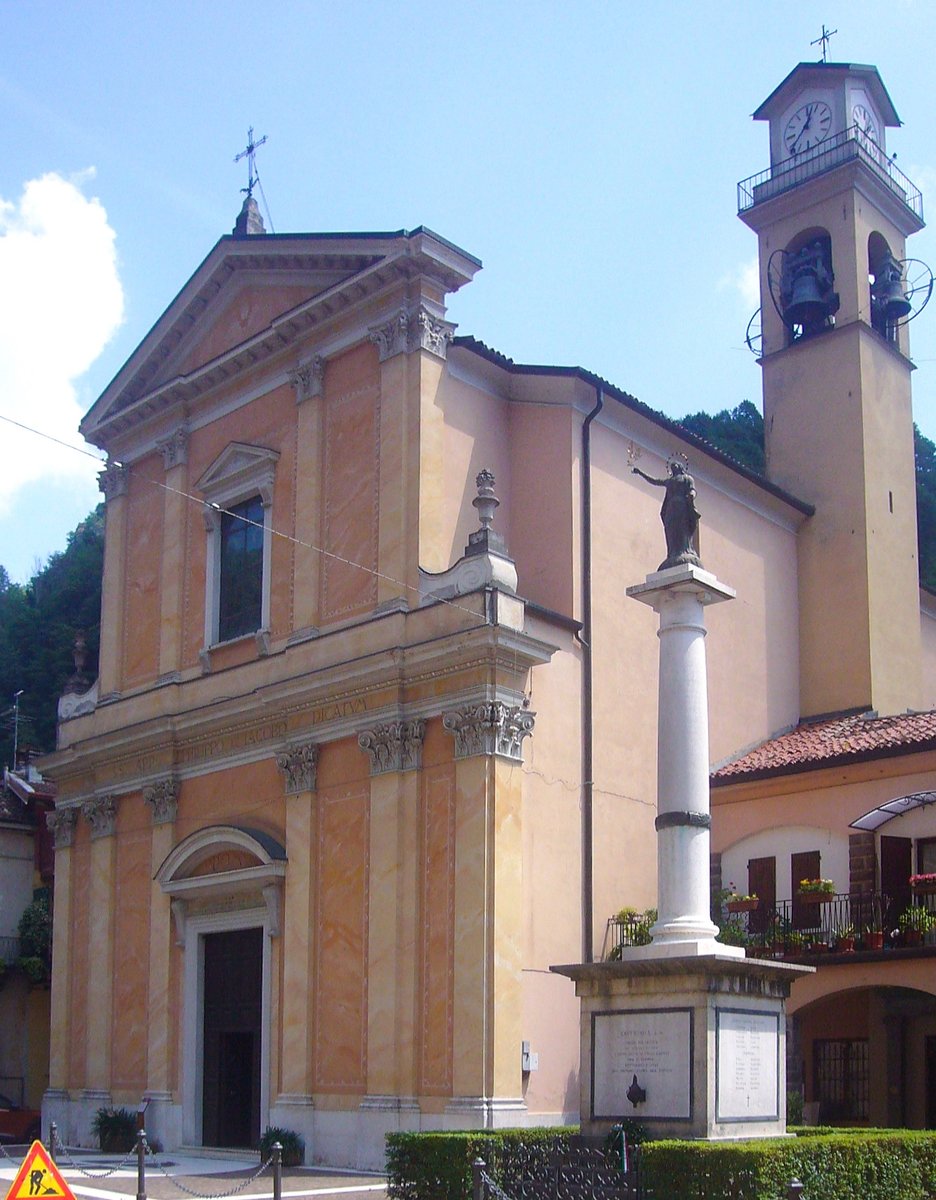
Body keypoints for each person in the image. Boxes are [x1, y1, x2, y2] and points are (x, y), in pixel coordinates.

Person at [632, 459, 702, 571]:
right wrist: (640, 473)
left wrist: (691, 495)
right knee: (671, 530)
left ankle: (685, 550)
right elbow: (654, 481)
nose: (673, 468)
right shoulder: (669, 481)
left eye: (675, 466)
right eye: (672, 467)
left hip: (682, 507)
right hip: (671, 509)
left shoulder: (687, 478)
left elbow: (692, 490)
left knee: (682, 529)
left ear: (680, 467)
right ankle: (673, 553)